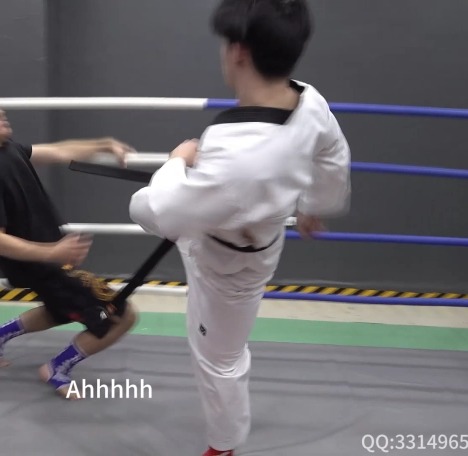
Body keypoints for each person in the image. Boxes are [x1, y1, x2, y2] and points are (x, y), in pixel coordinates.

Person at [128, 0, 351, 454]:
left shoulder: (237, 155)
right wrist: (315, 205)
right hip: (245, 234)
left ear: (239, 53)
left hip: (226, 264)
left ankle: (224, 445)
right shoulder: (309, 101)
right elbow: (333, 152)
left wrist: (176, 162)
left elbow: (157, 213)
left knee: (219, 359)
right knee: (218, 344)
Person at [0, 80, 139, 400]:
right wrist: (52, 252)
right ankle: (57, 368)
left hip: (46, 258)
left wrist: (104, 144)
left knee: (60, 308)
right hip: (39, 262)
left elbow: (59, 151)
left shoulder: (8, 149)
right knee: (122, 314)